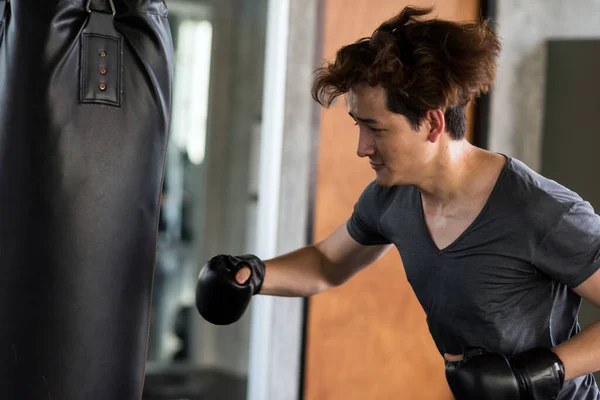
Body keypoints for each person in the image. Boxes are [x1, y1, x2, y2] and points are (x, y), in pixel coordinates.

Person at [194, 6, 600, 400]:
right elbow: (326, 263)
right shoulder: (391, 197)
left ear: (432, 123)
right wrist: (255, 275)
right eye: (358, 125)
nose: (362, 147)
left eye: (376, 128)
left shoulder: (540, 211)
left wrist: (536, 375)